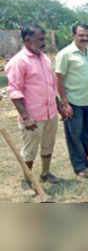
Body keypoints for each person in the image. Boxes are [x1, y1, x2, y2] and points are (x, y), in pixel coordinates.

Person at [5, 23, 66, 195]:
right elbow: (14, 90)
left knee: (48, 145)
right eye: (40, 39)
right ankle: (26, 182)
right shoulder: (19, 61)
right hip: (33, 116)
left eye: (44, 38)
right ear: (27, 40)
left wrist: (59, 106)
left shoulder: (45, 59)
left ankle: (45, 174)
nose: (44, 42)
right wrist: (26, 117)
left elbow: (51, 86)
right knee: (29, 150)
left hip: (50, 113)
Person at [55, 22, 88, 178]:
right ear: (73, 35)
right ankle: (79, 166)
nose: (84, 38)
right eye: (81, 35)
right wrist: (64, 103)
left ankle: (85, 159)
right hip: (73, 101)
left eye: (87, 35)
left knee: (87, 133)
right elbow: (59, 79)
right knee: (74, 134)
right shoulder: (65, 54)